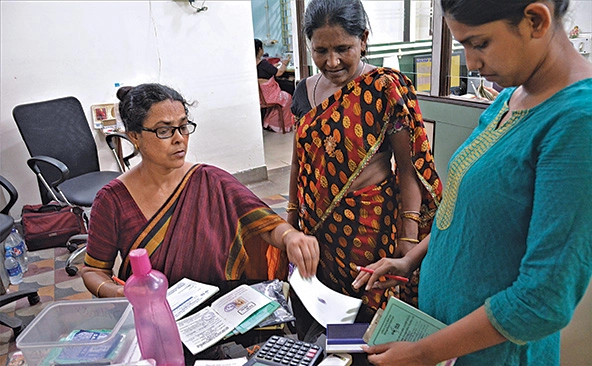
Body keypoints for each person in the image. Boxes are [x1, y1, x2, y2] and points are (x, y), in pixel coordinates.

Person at [356, 0, 592, 364]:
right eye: (462, 44)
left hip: (498, 353)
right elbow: (469, 213)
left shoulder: (578, 123)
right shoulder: (510, 99)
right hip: (451, 342)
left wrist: (422, 353)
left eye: (479, 43)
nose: (471, 63)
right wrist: (410, 260)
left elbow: (543, 300)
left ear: (535, 20)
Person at [287, 0, 442, 338]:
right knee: (327, 306)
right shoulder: (304, 91)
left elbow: (408, 167)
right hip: (317, 228)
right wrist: (291, 220)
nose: (332, 61)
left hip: (368, 226)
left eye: (343, 48)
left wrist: (408, 235)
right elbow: (299, 159)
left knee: (368, 310)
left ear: (364, 39)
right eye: (321, 50)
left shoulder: (385, 87)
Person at [81, 83, 319, 298]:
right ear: (135, 136)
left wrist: (290, 237)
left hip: (220, 313)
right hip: (154, 317)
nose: (179, 139)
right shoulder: (112, 200)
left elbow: (265, 226)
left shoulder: (211, 181)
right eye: (164, 131)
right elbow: (94, 270)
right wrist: (119, 293)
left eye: (183, 126)